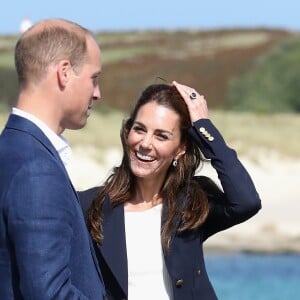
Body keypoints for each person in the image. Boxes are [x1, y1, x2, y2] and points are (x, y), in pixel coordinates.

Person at [78, 81, 262, 300]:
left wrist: (204, 127)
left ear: (181, 149)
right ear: (128, 132)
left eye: (161, 136)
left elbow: (246, 201)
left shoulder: (193, 204)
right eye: (139, 129)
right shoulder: (90, 206)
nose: (145, 143)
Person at [0, 19, 106, 299]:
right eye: (93, 78)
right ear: (64, 72)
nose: (97, 93)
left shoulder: (11, 151)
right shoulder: (36, 170)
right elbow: (49, 294)